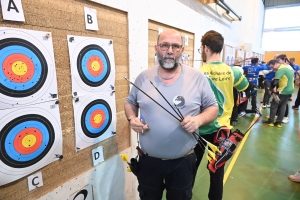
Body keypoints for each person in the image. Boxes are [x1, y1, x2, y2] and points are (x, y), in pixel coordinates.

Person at [124, 29, 219, 200]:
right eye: (164, 45)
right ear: (156, 48)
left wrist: (198, 120)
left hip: (183, 162)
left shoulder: (197, 78)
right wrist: (132, 118)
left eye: (175, 46)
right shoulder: (143, 78)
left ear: (182, 50)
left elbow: (213, 108)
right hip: (148, 161)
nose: (169, 51)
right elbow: (130, 102)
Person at [196, 30, 249, 200]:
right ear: (220, 48)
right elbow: (244, 88)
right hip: (223, 131)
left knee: (189, 169)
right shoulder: (234, 71)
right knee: (217, 172)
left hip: (200, 129)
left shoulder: (199, 73)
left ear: (205, 48)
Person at [263, 59, 294, 127]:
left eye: (272, 67)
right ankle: (278, 123)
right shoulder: (286, 68)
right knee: (283, 106)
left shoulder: (280, 70)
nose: (272, 69)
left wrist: (271, 90)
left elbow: (275, 82)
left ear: (276, 64)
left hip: (283, 90)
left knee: (274, 105)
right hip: (290, 90)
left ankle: (270, 121)